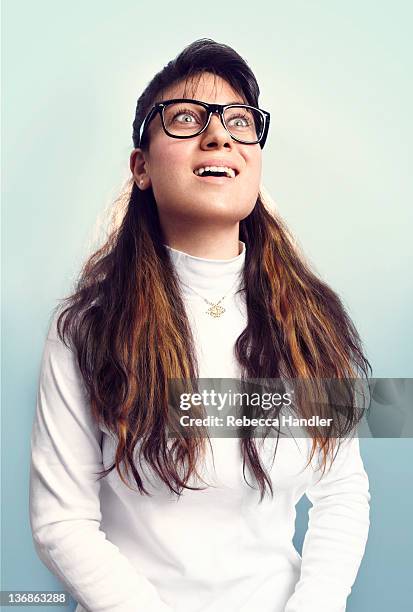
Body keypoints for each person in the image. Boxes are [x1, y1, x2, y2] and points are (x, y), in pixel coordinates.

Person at [29, 38, 372, 612]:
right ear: (141, 167)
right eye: (186, 119)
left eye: (239, 121)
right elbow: (62, 522)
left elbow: (342, 492)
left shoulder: (313, 321)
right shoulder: (84, 328)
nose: (220, 136)